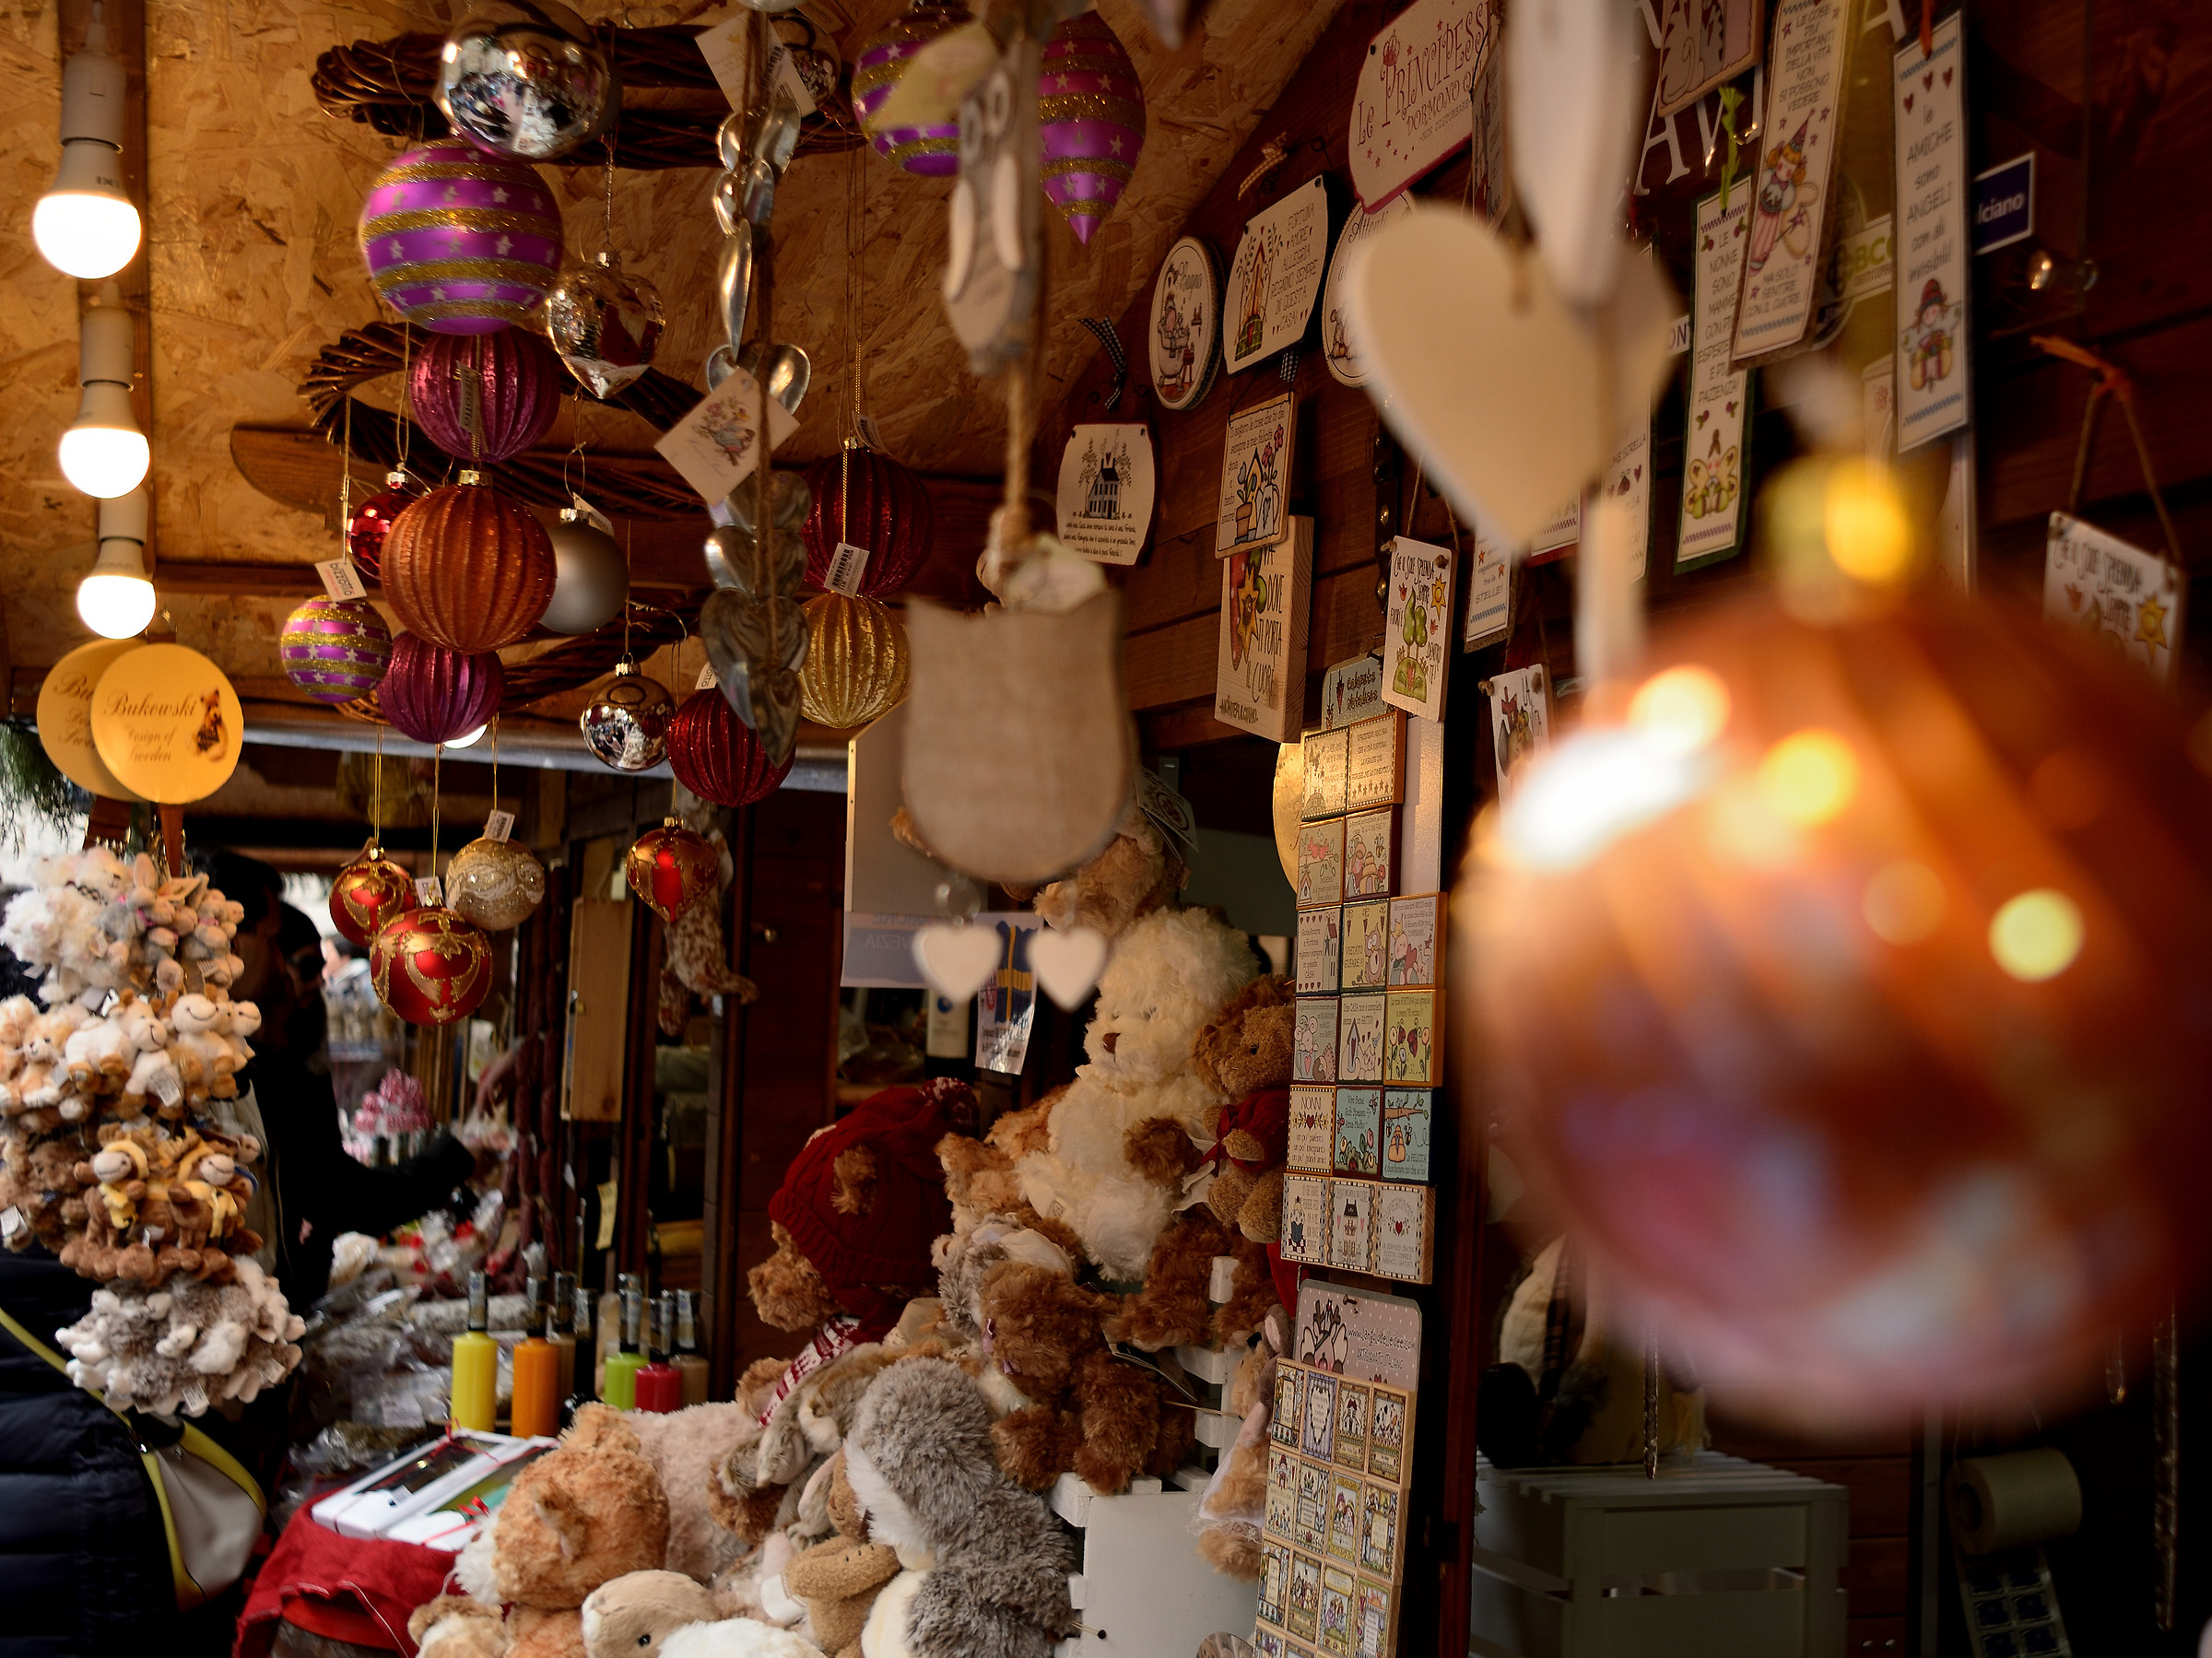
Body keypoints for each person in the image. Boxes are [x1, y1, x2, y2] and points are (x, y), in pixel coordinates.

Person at [206, 853, 479, 1305]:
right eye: (300, 964)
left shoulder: (281, 1065)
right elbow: (341, 1194)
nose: (316, 983)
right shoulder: (219, 1071)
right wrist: (455, 1157)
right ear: (229, 942)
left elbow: (331, 1192)